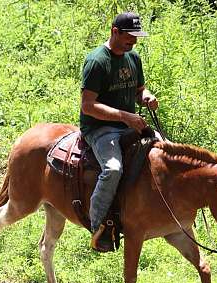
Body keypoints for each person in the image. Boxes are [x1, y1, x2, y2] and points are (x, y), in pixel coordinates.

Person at [80, 12, 158, 252]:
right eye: (129, 37)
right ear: (115, 31)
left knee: (166, 151)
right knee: (113, 169)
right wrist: (125, 116)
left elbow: (139, 90)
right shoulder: (97, 61)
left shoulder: (133, 58)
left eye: (136, 37)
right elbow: (88, 106)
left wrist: (146, 97)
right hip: (100, 128)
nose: (133, 42)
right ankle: (98, 225)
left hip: (129, 125)